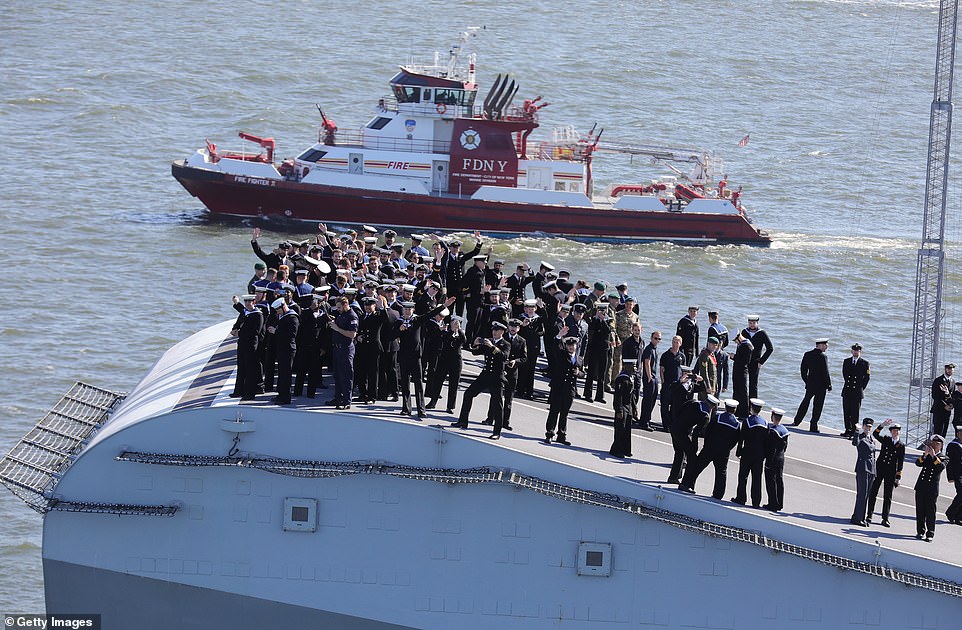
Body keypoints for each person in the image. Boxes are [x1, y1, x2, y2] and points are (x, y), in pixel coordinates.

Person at [393, 297, 455, 418]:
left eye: (410, 309)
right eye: (405, 309)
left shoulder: (417, 320)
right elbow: (391, 336)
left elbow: (430, 314)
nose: (407, 311)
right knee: (405, 383)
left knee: (418, 383)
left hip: (416, 356)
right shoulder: (398, 322)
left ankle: (421, 409)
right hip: (404, 356)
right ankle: (406, 408)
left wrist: (444, 306)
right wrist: (398, 330)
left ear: (413, 310)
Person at [452, 321, 511, 434]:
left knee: (497, 403)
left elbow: (503, 357)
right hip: (485, 375)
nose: (494, 332)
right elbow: (475, 353)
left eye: (497, 330)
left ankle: (496, 432)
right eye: (493, 330)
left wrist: (492, 346)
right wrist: (475, 344)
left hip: (496, 377)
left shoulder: (505, 344)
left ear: (502, 332)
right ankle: (463, 421)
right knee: (468, 394)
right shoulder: (488, 340)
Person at [678, 398, 741, 499]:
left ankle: (688, 484)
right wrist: (727, 449)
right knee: (721, 473)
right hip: (723, 452)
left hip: (710, 448)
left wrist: (706, 445)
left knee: (697, 466)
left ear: (725, 407)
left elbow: (708, 431)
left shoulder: (717, 417)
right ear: (735, 409)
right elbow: (735, 440)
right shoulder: (737, 424)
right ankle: (718, 494)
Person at [489, 318, 527, 432]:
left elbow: (524, 358)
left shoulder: (522, 341)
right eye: (511, 326)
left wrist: (515, 361)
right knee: (495, 396)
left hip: (512, 372)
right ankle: (490, 418)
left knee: (509, 398)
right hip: (500, 370)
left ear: (519, 328)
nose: (513, 329)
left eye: (515, 327)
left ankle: (505, 422)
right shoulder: (502, 338)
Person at [545, 330, 582, 446]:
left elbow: (583, 374)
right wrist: (559, 336)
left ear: (576, 346)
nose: (571, 347)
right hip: (559, 387)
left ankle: (561, 435)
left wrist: (579, 373)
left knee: (564, 413)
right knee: (554, 411)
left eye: (573, 345)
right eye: (569, 345)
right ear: (566, 346)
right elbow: (555, 347)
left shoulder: (579, 359)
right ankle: (549, 434)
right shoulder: (561, 354)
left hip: (570, 389)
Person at [866, 419, 905, 527]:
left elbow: (900, 462)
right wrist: (882, 425)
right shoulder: (886, 439)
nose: (895, 432)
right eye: (893, 431)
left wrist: (898, 477)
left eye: (897, 431)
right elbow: (875, 434)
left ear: (899, 432)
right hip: (880, 468)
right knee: (873, 492)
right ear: (890, 432)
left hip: (891, 472)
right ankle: (869, 515)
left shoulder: (901, 445)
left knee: (888, 496)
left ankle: (885, 518)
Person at [425, 316, 467, 413]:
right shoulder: (445, 332)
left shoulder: (460, 334)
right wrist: (451, 331)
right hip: (444, 359)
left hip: (456, 361)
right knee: (438, 381)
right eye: (454, 323)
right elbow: (444, 339)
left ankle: (450, 406)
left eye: (457, 323)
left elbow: (464, 341)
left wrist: (458, 330)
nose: (455, 325)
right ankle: (433, 401)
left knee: (454, 383)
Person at [732, 398, 768, 508]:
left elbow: (742, 437)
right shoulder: (765, 423)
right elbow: (767, 440)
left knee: (743, 476)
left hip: (748, 452)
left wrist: (739, 451)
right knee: (757, 478)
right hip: (760, 454)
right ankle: (756, 501)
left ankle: (741, 498)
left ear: (752, 408)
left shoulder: (747, 421)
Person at [793, 338, 831, 433]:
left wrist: (807, 380)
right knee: (818, 406)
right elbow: (825, 372)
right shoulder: (823, 357)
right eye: (826, 344)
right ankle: (813, 426)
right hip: (821, 386)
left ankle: (797, 420)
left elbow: (803, 370)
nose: (827, 346)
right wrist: (829, 384)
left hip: (810, 384)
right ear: (820, 345)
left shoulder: (807, 354)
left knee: (805, 402)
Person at [230, 295, 264, 401]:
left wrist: (240, 332)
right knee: (241, 367)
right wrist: (234, 329)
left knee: (250, 369)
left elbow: (256, 331)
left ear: (254, 302)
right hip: (242, 343)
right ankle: (238, 391)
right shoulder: (244, 312)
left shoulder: (258, 315)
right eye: (246, 302)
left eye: (250, 302)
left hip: (251, 344)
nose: (248, 304)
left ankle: (250, 393)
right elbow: (238, 323)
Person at [328, 296, 358, 409]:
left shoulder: (351, 316)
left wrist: (337, 328)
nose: (338, 309)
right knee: (337, 375)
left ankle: (346, 401)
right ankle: (338, 397)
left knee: (346, 376)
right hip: (337, 348)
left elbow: (352, 334)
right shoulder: (342, 315)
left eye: (340, 307)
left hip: (346, 349)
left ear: (346, 305)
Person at [914, 435, 946, 541]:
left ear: (941, 445)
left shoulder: (943, 457)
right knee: (920, 510)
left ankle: (930, 533)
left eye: (937, 444)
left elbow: (940, 467)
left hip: (932, 488)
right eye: (933, 444)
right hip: (921, 486)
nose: (934, 446)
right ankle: (920, 531)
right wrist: (925, 455)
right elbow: (918, 463)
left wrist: (933, 456)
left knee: (930, 511)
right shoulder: (926, 455)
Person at [270, 297, 300, 405]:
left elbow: (292, 335)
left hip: (288, 348)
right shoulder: (283, 317)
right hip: (282, 348)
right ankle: (281, 394)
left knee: (286, 373)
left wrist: (276, 331)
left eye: (278, 309)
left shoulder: (292, 317)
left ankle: (286, 397)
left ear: (283, 306)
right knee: (282, 373)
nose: (277, 312)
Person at [850, 418, 877, 527]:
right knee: (862, 494)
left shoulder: (870, 438)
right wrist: (857, 431)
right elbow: (855, 443)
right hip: (863, 467)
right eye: (866, 426)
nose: (868, 428)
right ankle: (857, 518)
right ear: (863, 426)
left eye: (870, 427)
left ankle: (860, 516)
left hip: (871, 469)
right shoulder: (861, 436)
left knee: (866, 495)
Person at [840, 343, 871, 437]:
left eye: (857, 351)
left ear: (860, 352)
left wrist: (861, 388)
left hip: (857, 391)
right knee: (846, 411)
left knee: (855, 413)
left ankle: (854, 431)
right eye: (854, 351)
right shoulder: (846, 361)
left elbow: (867, 378)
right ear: (851, 351)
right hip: (847, 390)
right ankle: (847, 430)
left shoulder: (865, 363)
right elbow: (844, 375)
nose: (856, 352)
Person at [741, 315, 774, 399]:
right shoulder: (744, 332)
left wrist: (761, 361)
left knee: (753, 384)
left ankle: (753, 405)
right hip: (744, 361)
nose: (752, 325)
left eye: (753, 323)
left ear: (757, 323)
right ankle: (743, 403)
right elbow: (740, 346)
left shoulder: (762, 333)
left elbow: (770, 348)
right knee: (742, 383)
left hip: (755, 362)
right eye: (750, 323)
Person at [763, 408, 789, 512]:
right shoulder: (784, 430)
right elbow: (785, 446)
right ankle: (779, 503)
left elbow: (771, 448)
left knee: (771, 482)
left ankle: (772, 503)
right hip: (781, 458)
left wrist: (768, 462)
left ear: (772, 416)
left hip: (773, 459)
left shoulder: (773, 431)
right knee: (779, 480)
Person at [609, 359, 636, 458]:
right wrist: (618, 410)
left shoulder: (630, 378)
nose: (635, 368)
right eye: (633, 366)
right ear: (626, 367)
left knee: (627, 429)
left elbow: (632, 395)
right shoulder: (621, 379)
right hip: (622, 406)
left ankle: (626, 449)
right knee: (620, 429)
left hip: (628, 406)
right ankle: (616, 450)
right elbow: (618, 396)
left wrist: (634, 407)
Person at [659, 335, 685, 431]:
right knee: (664, 405)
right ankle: (665, 425)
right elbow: (661, 370)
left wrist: (683, 382)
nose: (675, 344)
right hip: (667, 384)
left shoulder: (682, 356)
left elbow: (684, 371)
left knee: (675, 407)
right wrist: (663, 382)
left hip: (677, 385)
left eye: (677, 342)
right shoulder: (665, 355)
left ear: (680, 344)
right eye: (673, 342)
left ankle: (672, 424)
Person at [730, 331, 753, 418]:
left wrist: (734, 357)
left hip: (742, 371)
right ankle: (736, 410)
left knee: (743, 392)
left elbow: (745, 361)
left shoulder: (747, 345)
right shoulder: (741, 344)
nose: (735, 343)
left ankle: (744, 413)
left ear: (739, 338)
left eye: (735, 340)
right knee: (736, 390)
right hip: (737, 370)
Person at [931, 363, 955, 439]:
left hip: (947, 412)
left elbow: (952, 396)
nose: (950, 371)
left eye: (951, 369)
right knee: (938, 433)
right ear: (945, 369)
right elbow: (935, 396)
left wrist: (951, 405)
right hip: (938, 410)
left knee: (944, 433)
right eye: (948, 369)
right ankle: (935, 450)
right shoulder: (938, 380)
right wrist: (944, 406)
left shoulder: (953, 381)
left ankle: (940, 450)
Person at [945, 427, 962, 525]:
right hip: (957, 474)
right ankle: (951, 512)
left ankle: (958, 516)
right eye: (960, 433)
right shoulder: (953, 445)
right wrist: (950, 477)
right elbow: (949, 462)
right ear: (957, 434)